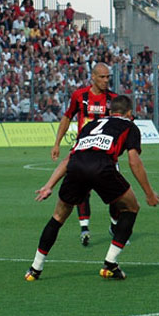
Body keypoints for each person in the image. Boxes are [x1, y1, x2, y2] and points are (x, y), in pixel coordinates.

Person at [24, 96, 159, 281]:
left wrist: (49, 186)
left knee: (58, 217)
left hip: (77, 166)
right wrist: (149, 193)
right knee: (131, 207)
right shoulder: (130, 127)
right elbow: (134, 161)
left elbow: (68, 158)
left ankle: (35, 269)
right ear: (130, 113)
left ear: (110, 112)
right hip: (102, 166)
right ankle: (110, 263)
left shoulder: (90, 125)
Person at [51, 63, 118, 246]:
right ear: (93, 77)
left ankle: (113, 224)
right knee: (83, 191)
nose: (106, 80)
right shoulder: (79, 96)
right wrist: (57, 143)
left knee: (117, 195)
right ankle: (84, 229)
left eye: (108, 77)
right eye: (102, 77)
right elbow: (67, 117)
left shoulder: (113, 98)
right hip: (83, 152)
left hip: (107, 154)